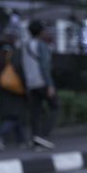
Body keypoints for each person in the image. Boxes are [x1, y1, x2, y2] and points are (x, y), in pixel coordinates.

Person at [21, 20, 58, 150]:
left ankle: (36, 139)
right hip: (42, 82)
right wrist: (50, 85)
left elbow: (24, 66)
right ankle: (42, 135)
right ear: (40, 32)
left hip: (31, 84)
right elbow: (45, 66)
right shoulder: (41, 45)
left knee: (35, 113)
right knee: (55, 107)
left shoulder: (25, 46)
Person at [0, 34, 28, 151]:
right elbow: (18, 69)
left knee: (16, 115)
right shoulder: (11, 53)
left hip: (4, 88)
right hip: (15, 88)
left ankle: (21, 141)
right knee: (16, 115)